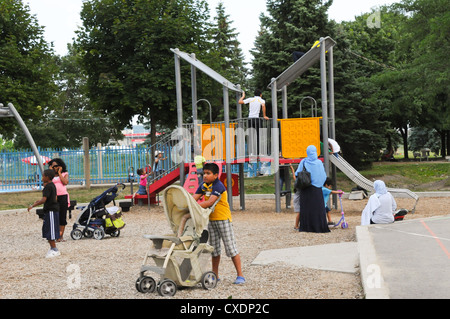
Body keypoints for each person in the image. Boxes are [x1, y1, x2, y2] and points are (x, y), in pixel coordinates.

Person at [192, 163, 245, 284]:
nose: (205, 175)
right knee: (214, 250)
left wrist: (192, 206)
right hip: (211, 221)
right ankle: (215, 275)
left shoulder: (218, 186)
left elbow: (209, 202)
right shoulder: (204, 185)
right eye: (204, 173)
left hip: (223, 219)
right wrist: (186, 203)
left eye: (208, 173)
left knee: (231, 248)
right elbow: (193, 198)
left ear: (216, 175)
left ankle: (240, 275)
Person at [295, 145, 330, 233]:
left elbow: (297, 174)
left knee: (306, 208)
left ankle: (306, 227)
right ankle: (319, 226)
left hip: (306, 188)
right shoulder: (319, 163)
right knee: (318, 208)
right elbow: (323, 176)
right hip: (317, 189)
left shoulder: (304, 161)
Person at [28, 169, 60, 258]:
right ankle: (52, 248)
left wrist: (33, 205)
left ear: (47, 177)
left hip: (51, 211)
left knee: (51, 231)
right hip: (49, 210)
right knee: (47, 229)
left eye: (43, 176)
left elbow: (44, 199)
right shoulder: (51, 186)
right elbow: (52, 198)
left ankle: (55, 249)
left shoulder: (48, 186)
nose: (41, 178)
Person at [239, 89, 269, 156]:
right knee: (258, 136)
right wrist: (264, 115)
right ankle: (259, 152)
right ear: (260, 95)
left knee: (252, 136)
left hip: (250, 119)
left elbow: (240, 102)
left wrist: (243, 96)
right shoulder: (261, 100)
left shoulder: (250, 99)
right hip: (257, 119)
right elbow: (263, 106)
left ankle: (252, 152)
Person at [48, 158, 70, 242]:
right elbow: (47, 183)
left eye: (56, 166)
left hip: (63, 196)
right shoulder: (50, 175)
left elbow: (65, 182)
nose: (55, 168)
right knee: (54, 216)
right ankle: (54, 234)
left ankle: (60, 236)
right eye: (53, 166)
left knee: (62, 216)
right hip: (53, 197)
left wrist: (60, 173)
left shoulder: (64, 173)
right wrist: (50, 173)